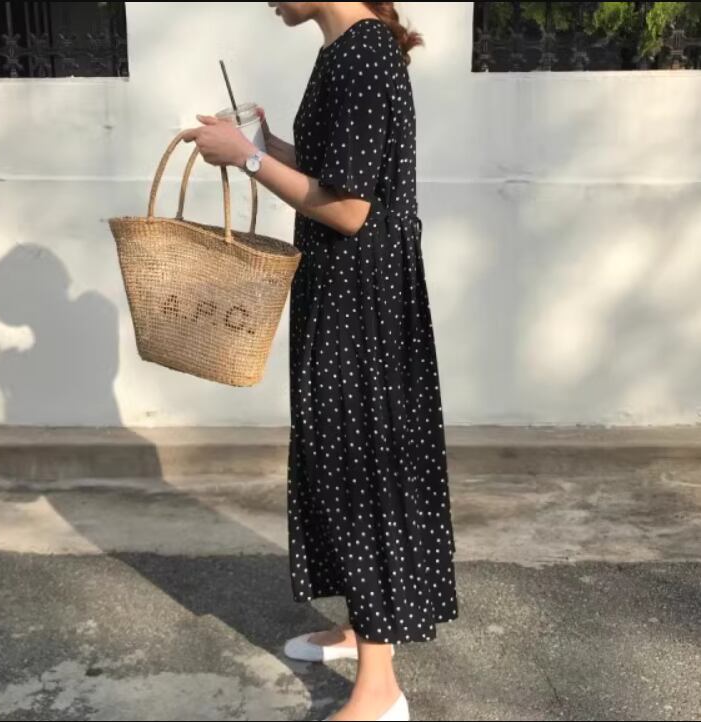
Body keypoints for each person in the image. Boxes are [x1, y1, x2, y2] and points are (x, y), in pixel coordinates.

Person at [183, 3, 458, 720]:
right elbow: (336, 174)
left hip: (360, 297)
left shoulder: (361, 54)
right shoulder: (346, 51)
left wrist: (247, 158)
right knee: (333, 459)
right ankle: (362, 627)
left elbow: (349, 209)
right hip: (345, 289)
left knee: (358, 467)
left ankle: (380, 686)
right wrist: (265, 142)